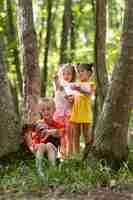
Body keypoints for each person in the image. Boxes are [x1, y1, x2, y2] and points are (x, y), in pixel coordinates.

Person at [23, 97, 64, 179]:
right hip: (39, 148)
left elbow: (60, 133)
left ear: (54, 110)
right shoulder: (39, 124)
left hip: (52, 150)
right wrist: (31, 145)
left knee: (48, 144)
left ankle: (53, 169)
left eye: (48, 109)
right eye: (43, 110)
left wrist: (50, 132)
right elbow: (27, 133)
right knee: (41, 145)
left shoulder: (58, 124)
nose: (46, 112)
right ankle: (39, 170)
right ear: (40, 112)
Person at [69, 63, 94, 154]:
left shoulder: (91, 84)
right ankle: (77, 155)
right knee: (76, 135)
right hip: (76, 113)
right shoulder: (77, 85)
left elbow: (88, 93)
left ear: (89, 73)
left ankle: (88, 153)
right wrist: (70, 99)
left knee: (86, 134)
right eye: (78, 71)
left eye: (82, 71)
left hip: (85, 113)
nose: (80, 73)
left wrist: (78, 89)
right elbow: (74, 99)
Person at [53, 64, 76, 158]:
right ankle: (62, 156)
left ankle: (70, 156)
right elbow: (58, 86)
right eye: (64, 74)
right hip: (59, 115)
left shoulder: (73, 87)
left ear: (73, 75)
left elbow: (72, 101)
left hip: (68, 115)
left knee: (69, 136)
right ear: (61, 75)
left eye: (69, 74)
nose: (66, 76)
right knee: (61, 136)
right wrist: (55, 79)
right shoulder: (60, 86)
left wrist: (71, 99)